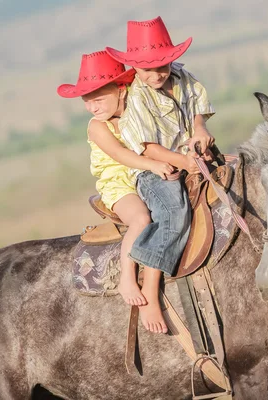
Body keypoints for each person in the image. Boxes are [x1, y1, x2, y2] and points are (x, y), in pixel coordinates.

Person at [105, 16, 216, 334]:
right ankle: (151, 292)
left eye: (162, 65)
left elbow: (198, 110)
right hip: (156, 170)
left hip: (190, 157)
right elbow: (148, 149)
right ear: (135, 69)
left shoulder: (181, 76)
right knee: (174, 213)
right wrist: (183, 161)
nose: (157, 73)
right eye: (148, 68)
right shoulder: (137, 98)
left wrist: (200, 131)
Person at [57, 51, 175, 310]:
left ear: (122, 89)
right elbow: (120, 154)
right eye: (87, 101)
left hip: (144, 175)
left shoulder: (139, 109)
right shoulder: (97, 126)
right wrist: (154, 164)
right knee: (141, 219)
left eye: (98, 99)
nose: (92, 107)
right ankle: (127, 278)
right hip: (119, 183)